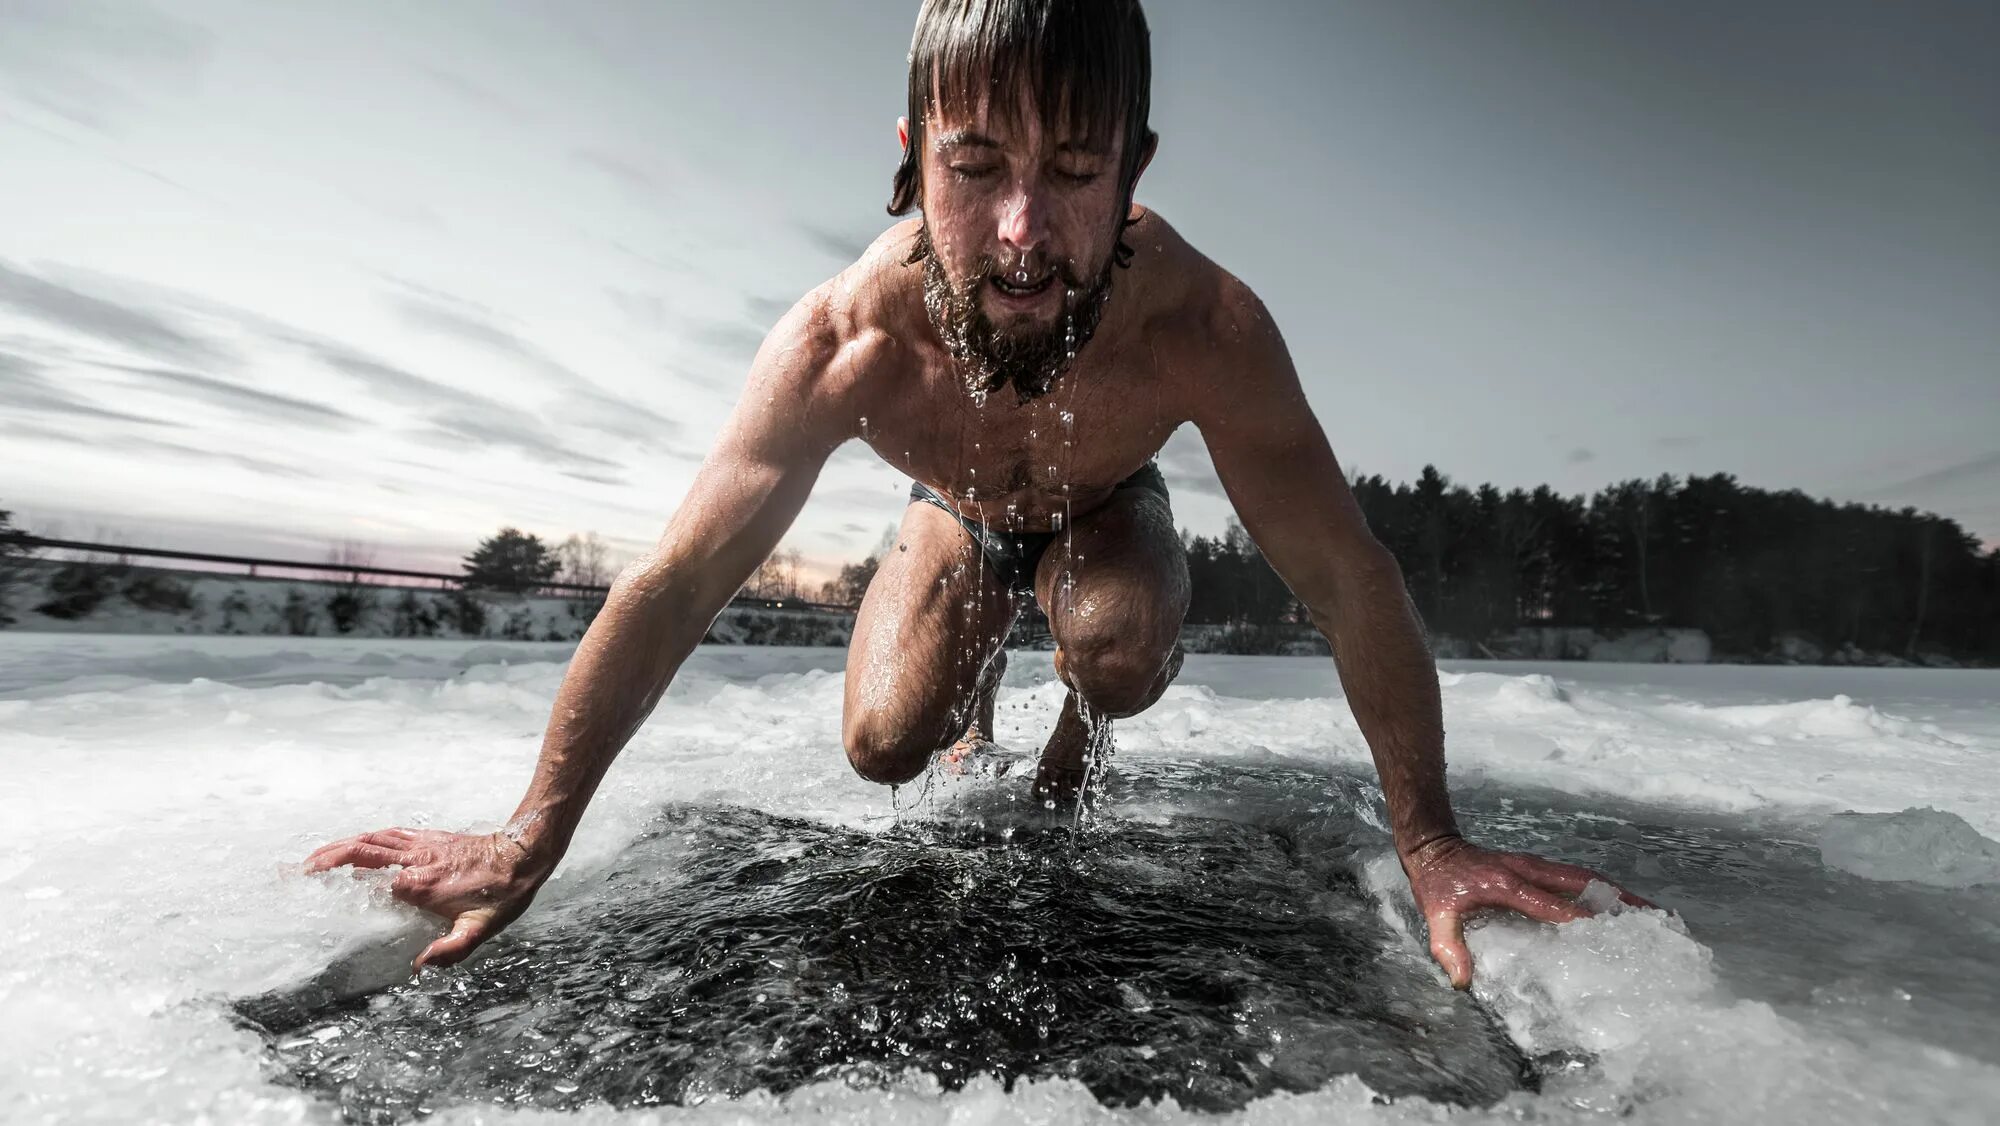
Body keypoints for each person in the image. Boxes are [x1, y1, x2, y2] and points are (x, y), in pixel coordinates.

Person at [308, 0, 1649, 988]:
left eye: (1073, 171)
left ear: (1135, 166)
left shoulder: (1205, 328)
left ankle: (1073, 690)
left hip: (1110, 511)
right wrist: (527, 836)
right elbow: (673, 583)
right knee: (888, 742)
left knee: (1118, 653)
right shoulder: (849, 342)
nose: (1023, 230)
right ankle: (976, 630)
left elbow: (1352, 574)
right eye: (977, 167)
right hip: (952, 512)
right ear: (910, 156)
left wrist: (1431, 842)